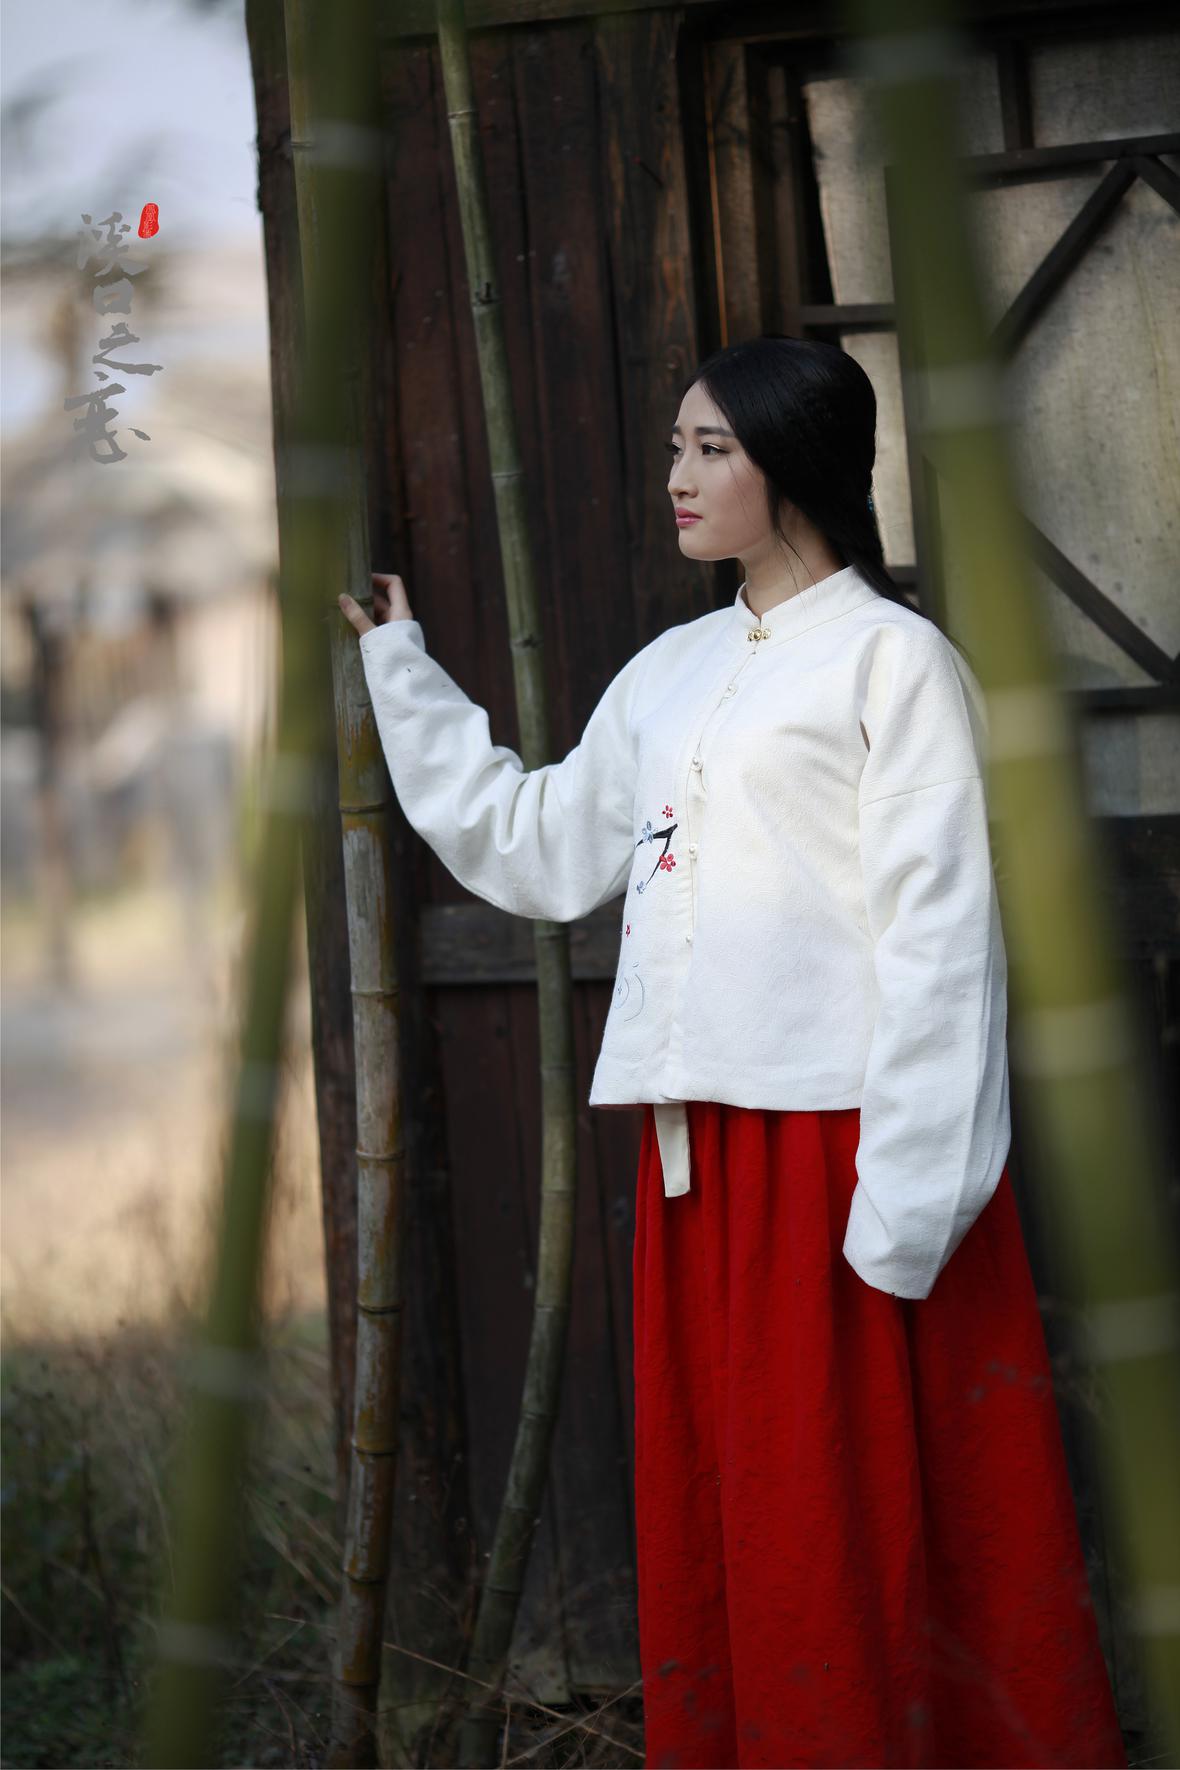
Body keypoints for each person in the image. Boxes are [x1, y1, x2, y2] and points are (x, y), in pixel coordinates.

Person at [339, 335, 1126, 1770]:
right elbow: (538, 845)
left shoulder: (894, 662)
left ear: (797, 462)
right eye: (675, 446)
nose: (678, 477)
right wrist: (406, 673)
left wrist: (904, 1217)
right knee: (744, 1514)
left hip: (848, 1169)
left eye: (713, 448)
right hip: (699, 1171)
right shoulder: (672, 670)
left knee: (860, 1516)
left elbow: (944, 943)